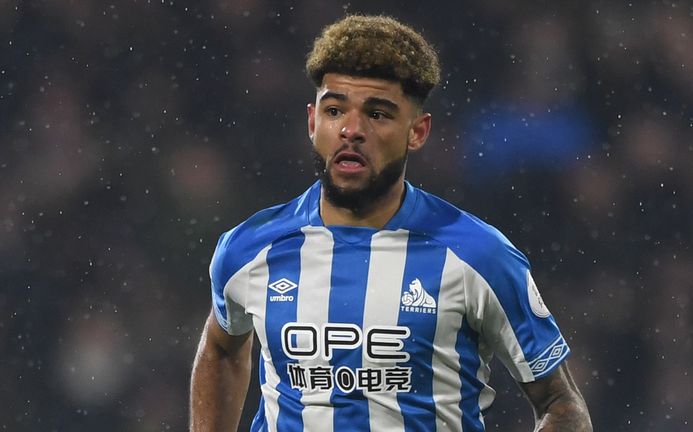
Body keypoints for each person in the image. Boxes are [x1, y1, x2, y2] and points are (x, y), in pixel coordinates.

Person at [190, 14, 592, 432]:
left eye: (377, 114)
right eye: (334, 110)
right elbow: (221, 349)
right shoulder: (249, 249)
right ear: (313, 123)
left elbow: (562, 405)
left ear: (417, 132)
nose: (351, 130)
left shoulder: (479, 255)